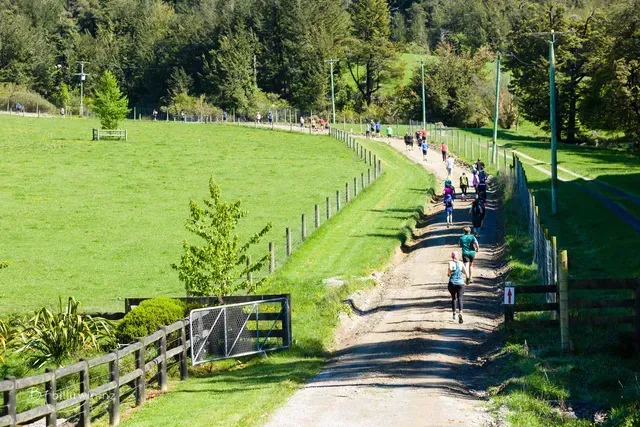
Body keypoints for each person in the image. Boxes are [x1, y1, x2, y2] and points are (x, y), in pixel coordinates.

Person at [448, 251, 469, 324]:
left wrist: (449, 273)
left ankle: (454, 314)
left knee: (453, 298)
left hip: (452, 283)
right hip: (461, 283)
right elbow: (467, 273)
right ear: (458, 256)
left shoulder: (450, 263)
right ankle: (460, 312)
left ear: (452, 256)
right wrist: (467, 279)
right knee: (460, 298)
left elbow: (449, 271)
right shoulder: (461, 263)